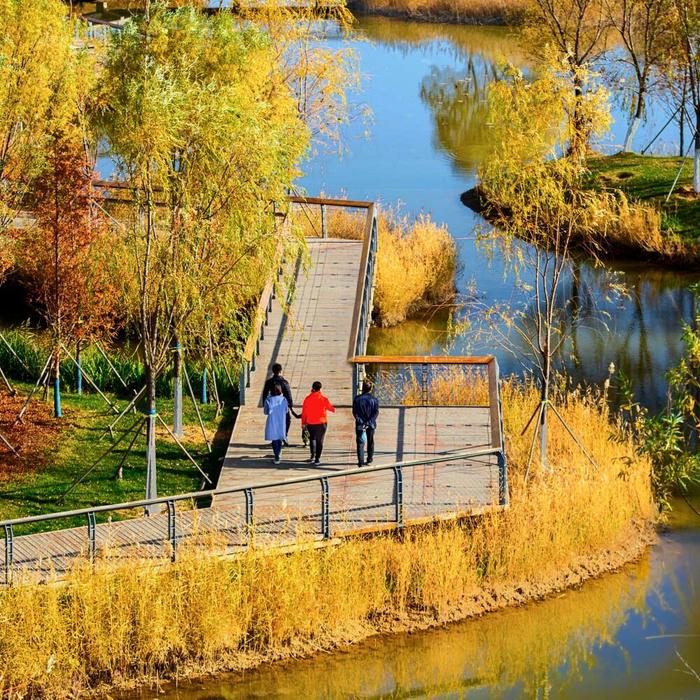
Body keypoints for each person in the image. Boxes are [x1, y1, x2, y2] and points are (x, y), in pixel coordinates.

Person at [300, 381, 335, 466]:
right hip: (321, 423)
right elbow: (332, 409)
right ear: (320, 388)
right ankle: (317, 459)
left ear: (312, 388)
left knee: (312, 438)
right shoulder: (324, 399)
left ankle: (312, 455)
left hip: (310, 423)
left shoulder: (307, 399)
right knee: (320, 441)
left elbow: (304, 412)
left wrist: (303, 423)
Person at [262, 363, 293, 445]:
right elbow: (288, 394)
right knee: (287, 419)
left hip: (272, 403)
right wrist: (290, 405)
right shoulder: (284, 382)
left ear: (273, 371)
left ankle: (274, 438)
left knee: (274, 421)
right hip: (282, 404)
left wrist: (264, 404)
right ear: (280, 371)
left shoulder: (269, 382)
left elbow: (265, 393)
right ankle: (284, 435)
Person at [352, 380, 379, 467]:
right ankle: (370, 458)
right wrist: (369, 422)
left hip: (360, 424)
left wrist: (361, 421)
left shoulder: (357, 399)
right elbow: (376, 412)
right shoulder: (374, 400)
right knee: (370, 441)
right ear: (370, 389)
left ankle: (360, 461)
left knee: (360, 442)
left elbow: (355, 412)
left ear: (362, 388)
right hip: (371, 424)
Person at [264, 384, 288, 465]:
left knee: (274, 438)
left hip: (272, 420)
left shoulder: (268, 400)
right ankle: (278, 452)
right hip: (281, 420)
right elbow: (286, 410)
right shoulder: (284, 399)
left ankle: (277, 456)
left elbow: (266, 412)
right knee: (280, 437)